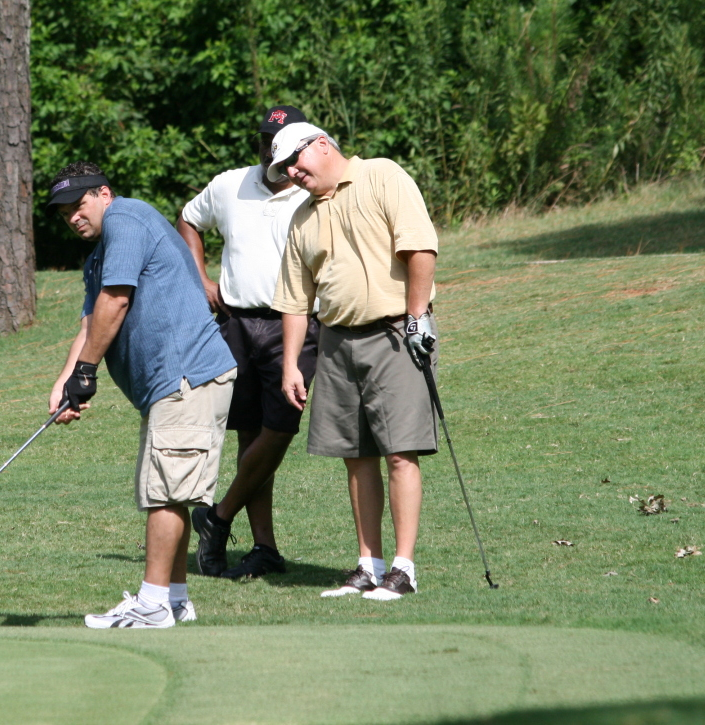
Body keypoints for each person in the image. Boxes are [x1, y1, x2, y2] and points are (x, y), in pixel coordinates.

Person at [46, 162, 237, 628]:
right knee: (165, 489)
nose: (73, 217)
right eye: (64, 212)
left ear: (104, 194)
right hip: (167, 386)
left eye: (79, 204)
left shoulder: (125, 218)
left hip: (186, 375)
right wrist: (66, 382)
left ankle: (152, 606)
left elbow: (117, 300)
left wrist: (87, 372)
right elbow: (93, 320)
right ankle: (173, 599)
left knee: (166, 492)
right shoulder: (99, 255)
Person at [267, 122, 440, 601]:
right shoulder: (301, 217)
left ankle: (403, 570)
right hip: (337, 342)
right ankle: (369, 564)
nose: (291, 172)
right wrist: (290, 366)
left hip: (392, 334)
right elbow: (295, 300)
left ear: (322, 145)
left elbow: (420, 248)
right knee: (355, 454)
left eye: (294, 161)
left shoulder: (382, 176)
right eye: (284, 168)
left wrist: (416, 317)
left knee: (401, 451)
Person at [175, 106, 320, 579]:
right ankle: (264, 547)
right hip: (236, 322)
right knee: (250, 433)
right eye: (263, 139)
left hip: (294, 324)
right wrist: (200, 282)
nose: (267, 149)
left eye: (277, 140)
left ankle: (217, 517)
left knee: (280, 429)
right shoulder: (228, 184)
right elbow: (188, 220)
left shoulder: (313, 189)